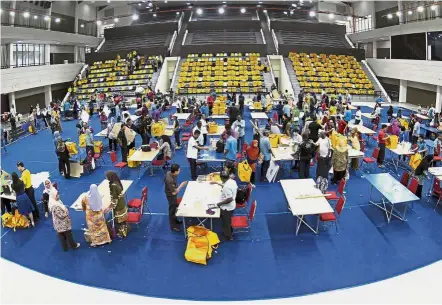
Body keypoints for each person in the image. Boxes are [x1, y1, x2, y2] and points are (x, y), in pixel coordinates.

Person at [211, 171, 238, 241]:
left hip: (227, 208)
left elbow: (229, 199)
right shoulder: (232, 181)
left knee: (227, 223)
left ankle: (229, 236)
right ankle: (229, 232)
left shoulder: (226, 187)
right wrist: (217, 183)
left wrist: (220, 204)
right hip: (231, 206)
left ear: (222, 178)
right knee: (227, 221)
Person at [105, 171, 130, 238]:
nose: (106, 178)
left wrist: (109, 207)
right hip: (122, 203)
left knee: (119, 221)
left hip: (118, 207)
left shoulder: (113, 185)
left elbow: (115, 200)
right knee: (123, 220)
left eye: (107, 177)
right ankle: (126, 229)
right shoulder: (117, 182)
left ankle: (123, 233)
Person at [164, 164, 187, 232]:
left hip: (171, 191)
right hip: (171, 196)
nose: (180, 171)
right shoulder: (169, 180)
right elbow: (174, 192)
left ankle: (175, 220)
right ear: (175, 171)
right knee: (172, 210)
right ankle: (173, 226)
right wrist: (181, 186)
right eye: (179, 170)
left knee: (174, 208)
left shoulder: (169, 173)